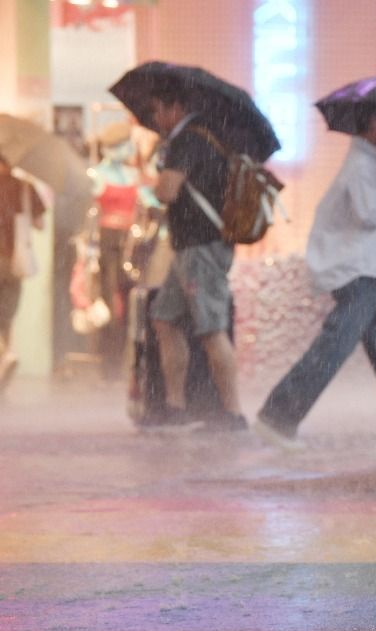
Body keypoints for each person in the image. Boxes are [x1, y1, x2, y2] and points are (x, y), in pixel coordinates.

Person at [252, 104, 376, 450]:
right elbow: (369, 214)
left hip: (368, 270)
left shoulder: (367, 162)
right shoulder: (360, 164)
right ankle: (278, 417)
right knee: (334, 348)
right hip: (358, 272)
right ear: (374, 120)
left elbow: (370, 216)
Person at [147, 85, 245, 431]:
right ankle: (175, 406)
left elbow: (168, 191)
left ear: (175, 107)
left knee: (211, 329)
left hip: (201, 247)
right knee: (165, 320)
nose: (155, 118)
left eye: (158, 109)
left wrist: (157, 181)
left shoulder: (187, 140)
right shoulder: (206, 137)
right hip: (189, 246)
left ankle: (233, 414)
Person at [92, 121, 158, 380]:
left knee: (132, 302)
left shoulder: (135, 176)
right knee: (111, 303)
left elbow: (153, 201)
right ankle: (108, 364)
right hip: (107, 243)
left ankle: (127, 363)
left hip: (131, 243)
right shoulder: (99, 174)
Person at [0, 154, 46, 391]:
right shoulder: (25, 187)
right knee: (8, 309)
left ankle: (5, 354)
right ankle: (8, 351)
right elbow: (40, 224)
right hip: (13, 257)